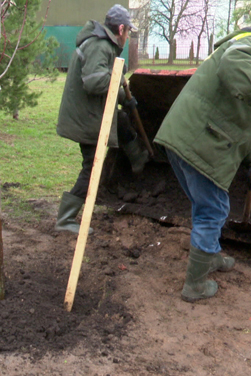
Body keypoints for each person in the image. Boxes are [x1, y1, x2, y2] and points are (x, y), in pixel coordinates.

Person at [153, 28, 251, 302]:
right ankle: (194, 285)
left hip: (186, 138)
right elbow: (233, 63)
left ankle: (209, 256)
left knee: (206, 205)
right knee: (214, 209)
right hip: (200, 140)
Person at [55, 4, 149, 234]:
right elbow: (95, 82)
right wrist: (117, 83)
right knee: (91, 166)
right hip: (86, 117)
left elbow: (103, 79)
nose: (128, 37)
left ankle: (139, 159)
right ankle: (65, 219)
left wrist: (124, 99)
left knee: (122, 119)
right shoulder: (100, 45)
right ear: (120, 29)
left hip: (91, 112)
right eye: (128, 31)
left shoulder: (102, 44)